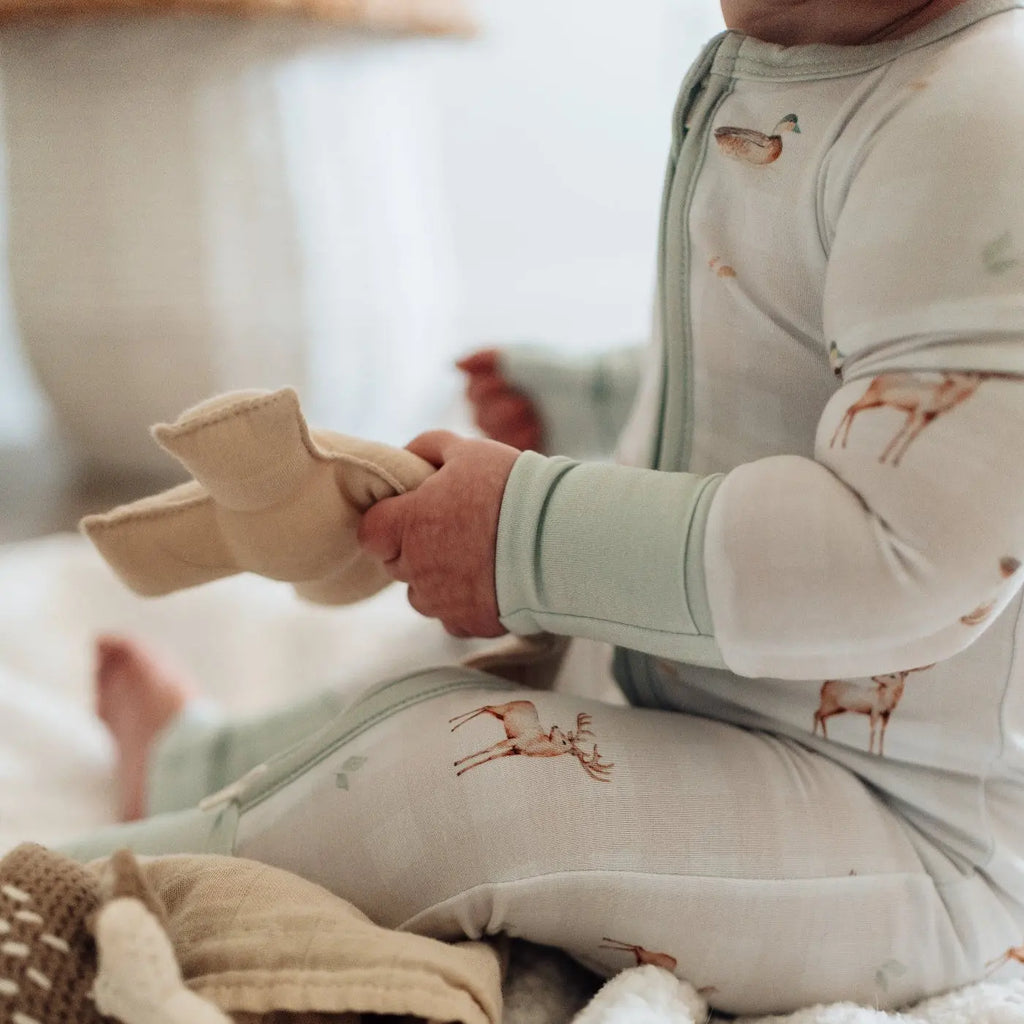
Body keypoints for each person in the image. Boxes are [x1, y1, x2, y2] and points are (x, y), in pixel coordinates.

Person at [64, 0, 1024, 1014]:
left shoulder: (984, 120)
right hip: (722, 686)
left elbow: (907, 555)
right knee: (475, 651)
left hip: (917, 843)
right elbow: (773, 375)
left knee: (466, 775)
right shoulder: (811, 68)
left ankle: (70, 885)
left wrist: (529, 534)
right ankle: (197, 765)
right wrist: (593, 402)